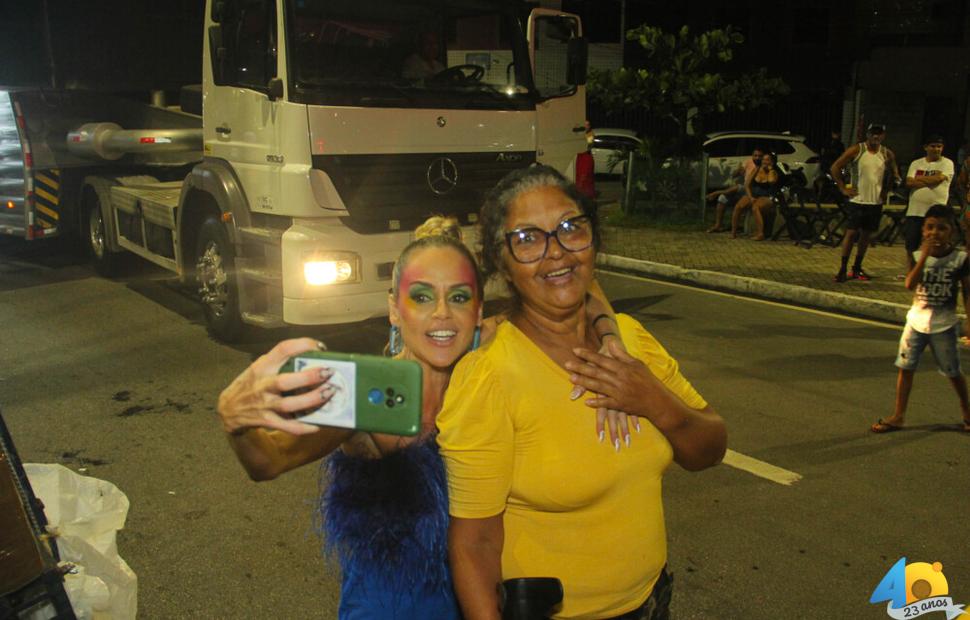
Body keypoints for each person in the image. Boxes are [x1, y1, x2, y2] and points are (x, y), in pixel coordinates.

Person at [217, 216, 628, 618]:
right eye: (422, 296)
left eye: (459, 297)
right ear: (395, 310)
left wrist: (610, 342)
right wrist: (234, 419)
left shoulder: (487, 359)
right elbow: (267, 461)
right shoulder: (369, 397)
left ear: (478, 309)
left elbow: (583, 287)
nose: (443, 314)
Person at [437, 165, 727, 619]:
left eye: (571, 228)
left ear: (593, 241)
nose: (556, 253)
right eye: (527, 239)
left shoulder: (631, 340)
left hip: (654, 600)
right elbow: (474, 543)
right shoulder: (490, 375)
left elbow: (709, 449)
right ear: (502, 265)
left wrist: (652, 398)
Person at [870, 204, 970, 434]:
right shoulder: (916, 255)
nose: (934, 233)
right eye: (930, 227)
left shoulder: (960, 259)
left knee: (953, 371)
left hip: (944, 325)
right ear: (923, 230)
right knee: (905, 368)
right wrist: (923, 257)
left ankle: (967, 411)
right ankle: (898, 415)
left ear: (951, 231)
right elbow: (909, 284)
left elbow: (967, 291)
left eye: (941, 228)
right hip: (916, 322)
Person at [829, 123, 900, 282]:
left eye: (879, 134)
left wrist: (886, 190)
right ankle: (843, 267)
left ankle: (857, 268)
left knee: (866, 235)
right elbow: (835, 167)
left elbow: (894, 174)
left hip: (874, 201)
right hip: (857, 200)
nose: (875, 137)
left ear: (883, 136)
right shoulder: (857, 150)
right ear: (867, 134)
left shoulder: (887, 153)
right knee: (851, 232)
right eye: (873, 133)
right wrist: (842, 188)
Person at [903, 135, 953, 271]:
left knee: (936, 243)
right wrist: (931, 179)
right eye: (933, 146)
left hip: (936, 212)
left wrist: (919, 180)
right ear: (926, 147)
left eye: (939, 146)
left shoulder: (947, 163)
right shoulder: (916, 163)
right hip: (915, 210)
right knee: (911, 244)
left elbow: (938, 179)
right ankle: (911, 271)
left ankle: (932, 270)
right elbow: (908, 182)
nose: (936, 149)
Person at [706, 147, 762, 233]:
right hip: (744, 189)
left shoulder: (762, 165)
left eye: (759, 156)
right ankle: (718, 225)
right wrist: (738, 171)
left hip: (751, 190)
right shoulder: (748, 162)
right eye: (755, 155)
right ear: (752, 156)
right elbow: (735, 175)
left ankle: (716, 192)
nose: (757, 158)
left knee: (738, 187)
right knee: (722, 198)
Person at [731, 151, 783, 240]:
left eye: (767, 160)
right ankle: (733, 232)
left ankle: (760, 234)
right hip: (754, 194)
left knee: (755, 207)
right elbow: (747, 184)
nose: (765, 162)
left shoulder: (773, 172)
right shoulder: (757, 169)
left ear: (772, 162)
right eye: (763, 160)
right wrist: (750, 196)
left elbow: (771, 181)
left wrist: (770, 169)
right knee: (738, 206)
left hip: (767, 196)